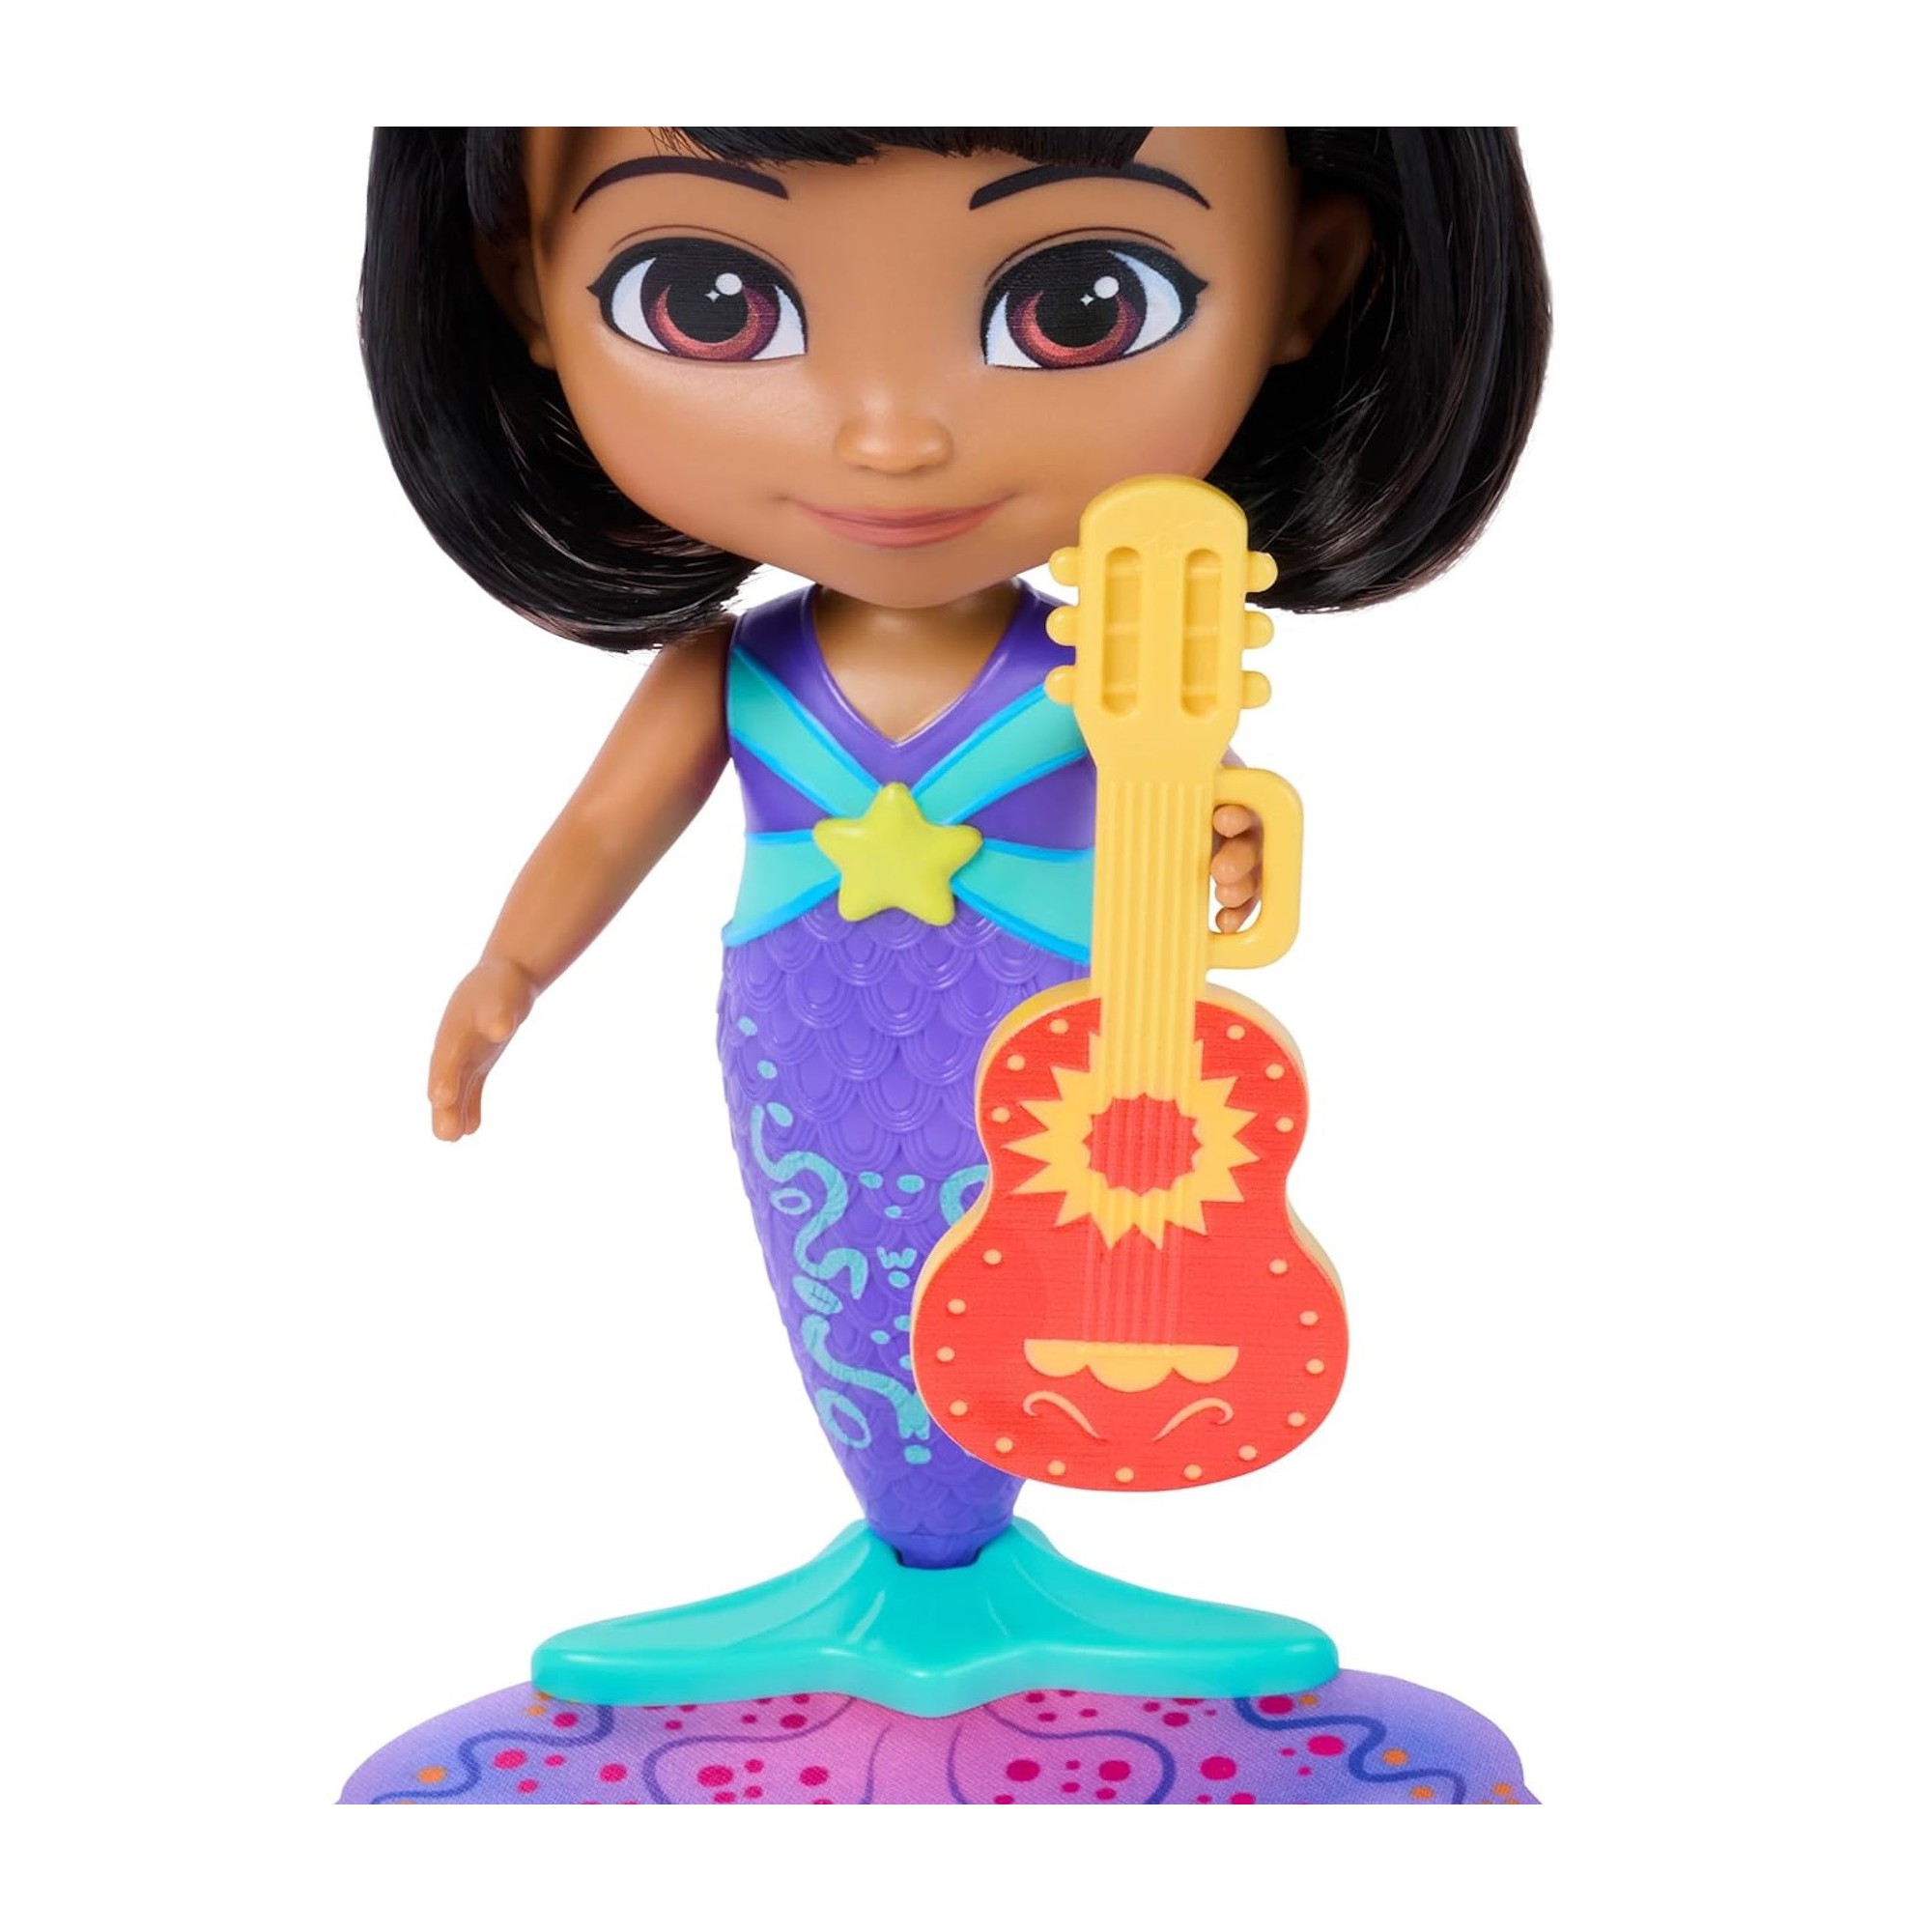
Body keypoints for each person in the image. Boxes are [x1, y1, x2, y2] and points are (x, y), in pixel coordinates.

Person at [359, 126, 1549, 1691]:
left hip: (1047, 1030)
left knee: (1025, 1265)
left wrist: (1224, 841)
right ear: (525, 284)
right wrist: (510, 967)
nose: (891, 435)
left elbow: (1191, 798)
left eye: (1077, 305)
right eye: (710, 300)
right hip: (805, 1034)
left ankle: (970, 1552)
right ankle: (906, 1545)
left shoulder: (1110, 666)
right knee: (843, 1265)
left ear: (1307, 282)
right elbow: (602, 825)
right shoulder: (735, 668)